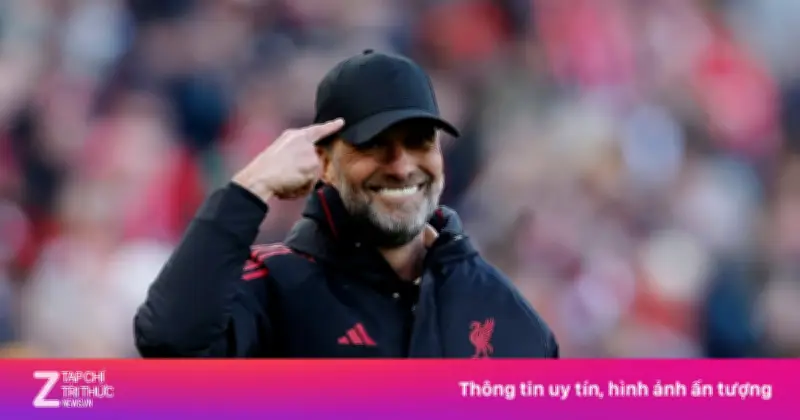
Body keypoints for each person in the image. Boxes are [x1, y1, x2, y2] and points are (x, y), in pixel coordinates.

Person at [134, 50, 559, 358]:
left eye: (419, 141)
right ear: (324, 163)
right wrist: (251, 186)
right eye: (373, 145)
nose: (401, 166)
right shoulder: (272, 288)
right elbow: (169, 341)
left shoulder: (500, 307)